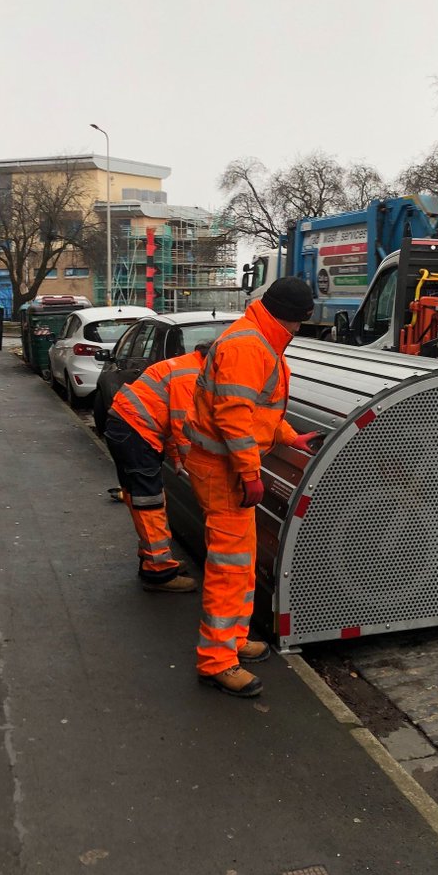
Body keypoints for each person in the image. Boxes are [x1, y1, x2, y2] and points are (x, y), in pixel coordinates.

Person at [184, 277, 321, 698]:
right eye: (301, 323)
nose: (299, 332)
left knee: (240, 564)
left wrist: (288, 437)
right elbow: (233, 418)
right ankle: (217, 662)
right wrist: (249, 473)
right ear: (294, 319)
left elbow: (257, 413)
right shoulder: (250, 347)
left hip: (224, 468)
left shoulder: (257, 338)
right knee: (228, 569)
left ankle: (234, 641)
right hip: (224, 472)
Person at [103, 342, 212, 593]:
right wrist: (196, 469)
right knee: (149, 501)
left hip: (126, 428)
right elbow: (185, 427)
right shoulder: (192, 377)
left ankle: (152, 558)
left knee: (139, 497)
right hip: (136, 433)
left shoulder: (185, 366)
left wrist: (175, 457)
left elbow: (173, 423)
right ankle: (159, 572)